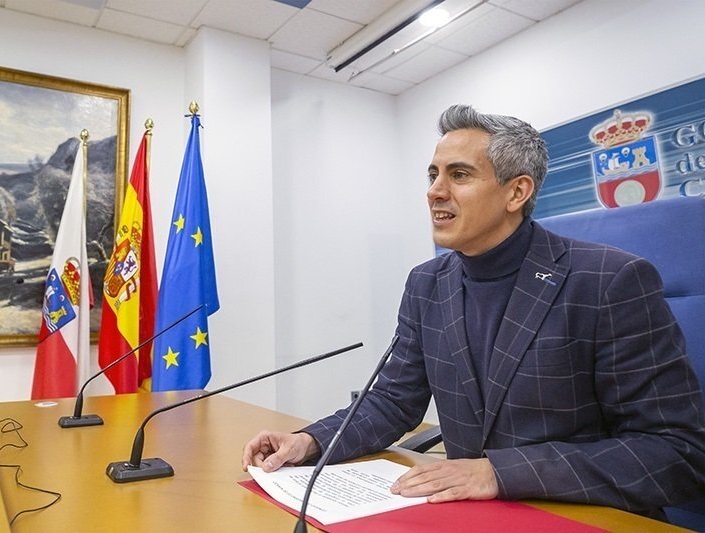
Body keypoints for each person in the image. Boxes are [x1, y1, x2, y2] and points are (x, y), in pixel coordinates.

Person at [241, 104, 705, 518]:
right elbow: (393, 401)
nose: (434, 192)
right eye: (432, 175)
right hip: (470, 516)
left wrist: (498, 472)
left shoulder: (609, 280)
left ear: (516, 192)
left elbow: (676, 452)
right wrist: (312, 441)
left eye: (459, 175)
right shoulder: (426, 284)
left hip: (580, 515)